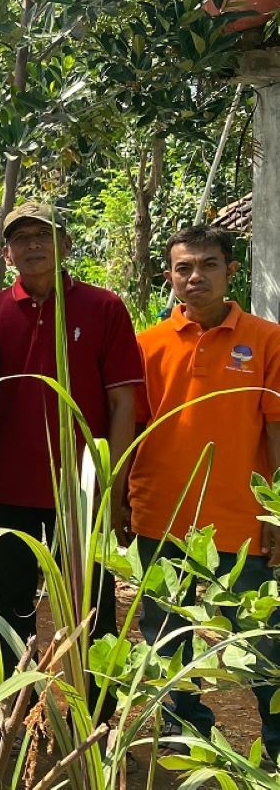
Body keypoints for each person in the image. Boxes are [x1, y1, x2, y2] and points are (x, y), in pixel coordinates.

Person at [0, 202, 139, 703]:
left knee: (92, 606)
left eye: (44, 235)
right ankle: (17, 714)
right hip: (5, 491)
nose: (34, 246)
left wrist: (115, 484)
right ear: (7, 252)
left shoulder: (103, 307)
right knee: (12, 605)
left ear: (64, 245)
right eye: (22, 238)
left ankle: (98, 717)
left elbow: (122, 403)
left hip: (82, 490)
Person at [128, 225, 280, 762]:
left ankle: (277, 751)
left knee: (265, 645)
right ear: (168, 275)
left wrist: (277, 515)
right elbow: (133, 427)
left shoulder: (266, 339)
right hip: (160, 519)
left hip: (242, 523)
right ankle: (188, 737)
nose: (196, 277)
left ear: (230, 271)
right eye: (184, 267)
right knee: (166, 639)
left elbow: (276, 428)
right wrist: (123, 499)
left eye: (208, 265)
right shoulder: (145, 344)